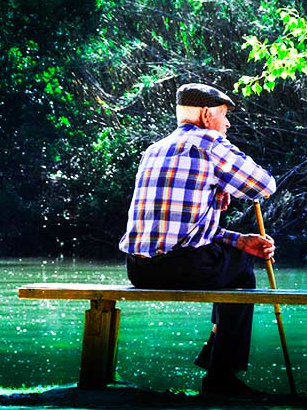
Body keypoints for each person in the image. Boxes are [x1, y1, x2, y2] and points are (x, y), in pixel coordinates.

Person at [119, 82, 277, 397]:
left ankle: (215, 356)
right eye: (223, 116)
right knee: (243, 269)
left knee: (236, 256)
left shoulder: (155, 149)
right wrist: (225, 182)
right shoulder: (210, 143)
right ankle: (220, 376)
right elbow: (264, 186)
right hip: (180, 266)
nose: (228, 124)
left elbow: (183, 229)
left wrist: (237, 239)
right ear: (206, 115)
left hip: (138, 269)